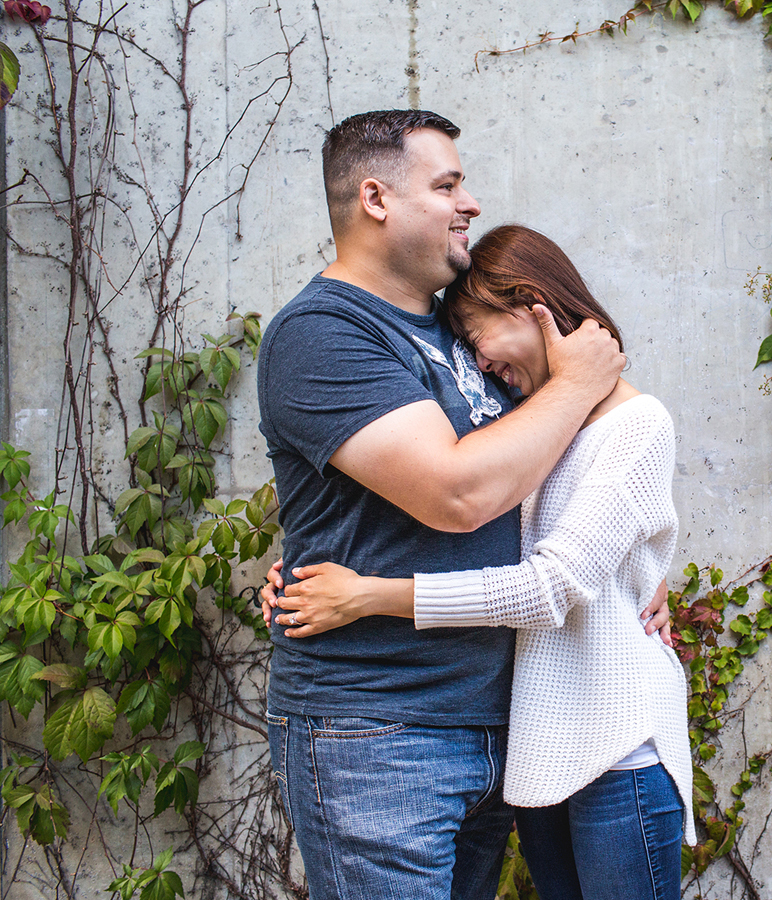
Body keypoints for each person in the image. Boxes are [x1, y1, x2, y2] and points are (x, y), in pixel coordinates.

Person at [258, 110, 666, 900]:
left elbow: (568, 471)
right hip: (378, 731)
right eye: (447, 184)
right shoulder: (324, 334)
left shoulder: (454, 330)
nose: (470, 202)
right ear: (375, 198)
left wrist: (634, 568)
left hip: (500, 724)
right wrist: (581, 381)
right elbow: (459, 492)